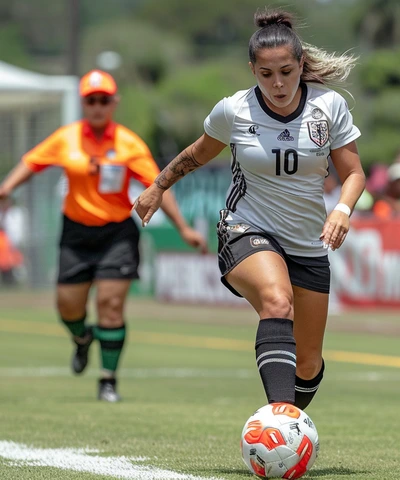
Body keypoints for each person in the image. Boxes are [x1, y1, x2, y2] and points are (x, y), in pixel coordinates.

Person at [133, 9, 365, 410]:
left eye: (287, 72)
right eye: (266, 74)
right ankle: (278, 417)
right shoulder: (234, 110)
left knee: (307, 363)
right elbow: (196, 154)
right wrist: (158, 186)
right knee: (277, 302)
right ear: (252, 70)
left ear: (301, 65)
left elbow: (355, 172)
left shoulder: (329, 107)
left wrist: (342, 209)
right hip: (246, 228)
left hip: (308, 244)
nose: (277, 83)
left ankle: (288, 425)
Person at [0, 69, 207, 402]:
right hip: (76, 234)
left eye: (104, 100)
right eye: (91, 100)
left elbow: (158, 186)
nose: (97, 106)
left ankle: (108, 381)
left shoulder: (128, 143)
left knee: (110, 306)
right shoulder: (66, 137)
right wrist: (6, 188)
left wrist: (183, 228)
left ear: (114, 102)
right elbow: (32, 162)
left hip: (116, 235)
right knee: (68, 308)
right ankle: (82, 339)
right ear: (84, 103)